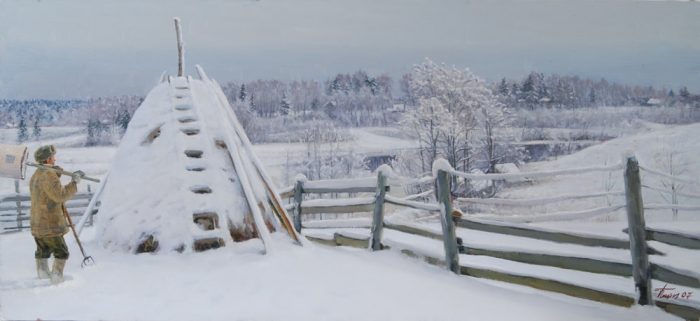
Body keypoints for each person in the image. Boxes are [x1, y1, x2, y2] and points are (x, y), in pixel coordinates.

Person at [29, 145, 82, 284]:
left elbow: (46, 192)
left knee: (43, 250)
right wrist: (74, 183)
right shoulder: (47, 174)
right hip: (50, 223)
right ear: (47, 159)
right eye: (53, 156)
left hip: (38, 223)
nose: (55, 158)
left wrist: (56, 174)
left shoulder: (38, 174)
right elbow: (60, 195)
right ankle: (57, 278)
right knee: (61, 251)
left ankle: (42, 276)